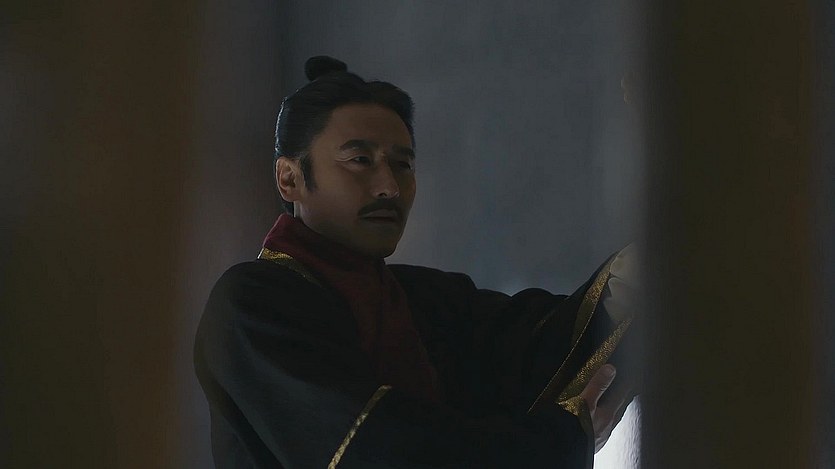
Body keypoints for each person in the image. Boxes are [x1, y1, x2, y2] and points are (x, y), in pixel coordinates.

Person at [194, 56, 636, 468]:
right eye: (360, 160)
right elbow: (376, 447)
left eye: (402, 165)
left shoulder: (426, 297)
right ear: (289, 178)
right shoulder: (252, 304)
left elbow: (542, 345)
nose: (389, 186)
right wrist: (558, 440)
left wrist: (639, 271)